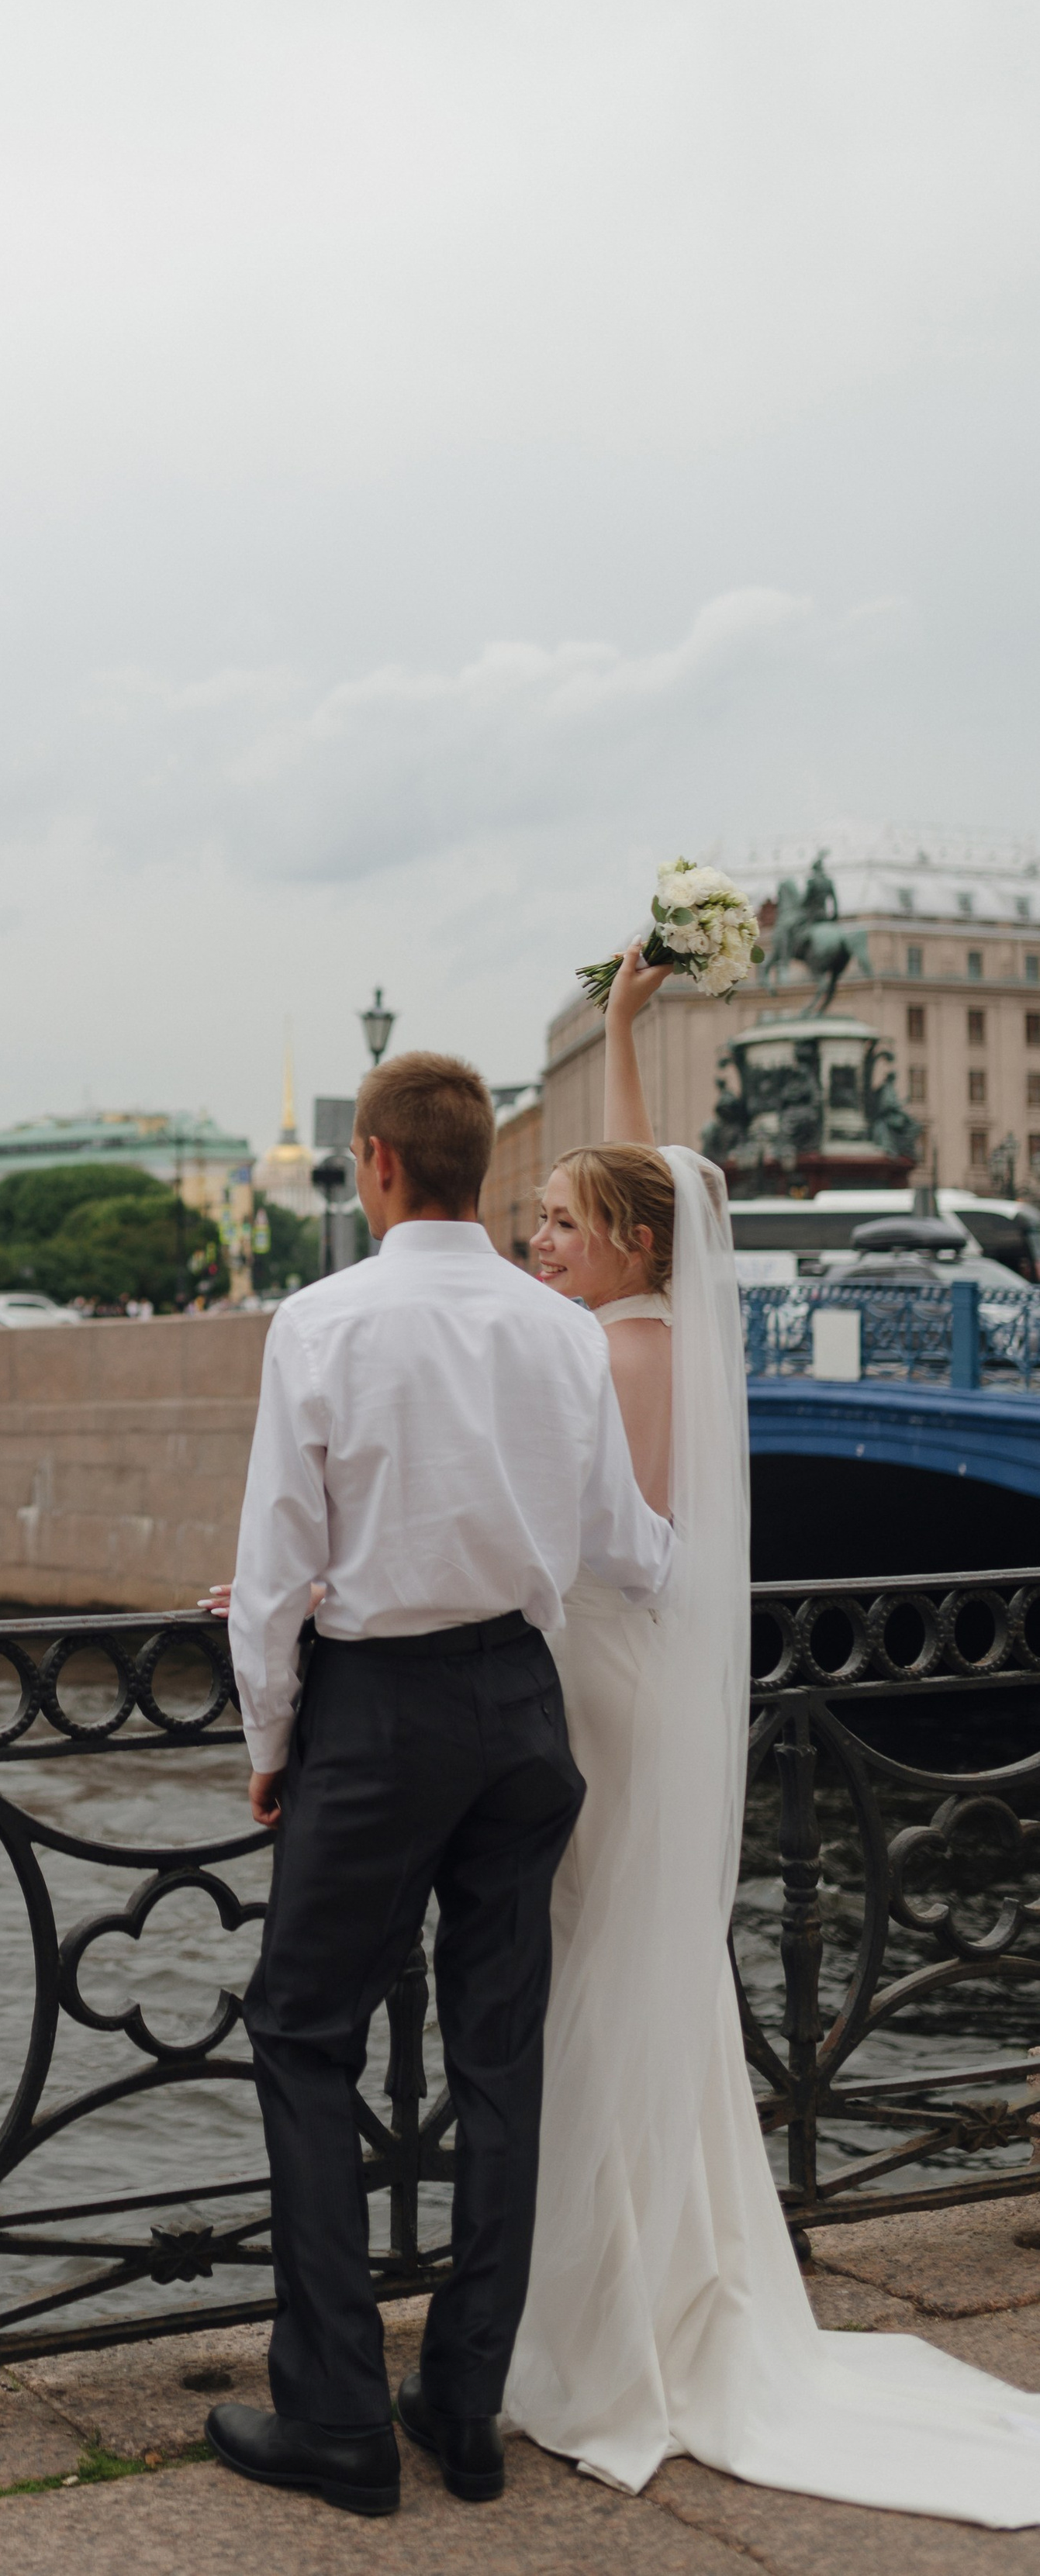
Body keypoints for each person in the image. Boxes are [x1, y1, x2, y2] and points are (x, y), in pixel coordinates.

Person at [509, 944, 1040, 2527]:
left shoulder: (604, 1350)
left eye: (556, 1226)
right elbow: (650, 1178)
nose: (536, 1239)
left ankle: (601, 2326)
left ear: (625, 1247)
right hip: (641, 1674)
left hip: (594, 1671)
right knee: (636, 1972)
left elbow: (577, 1527)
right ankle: (649, 2282)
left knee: (590, 1978)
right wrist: (618, 1030)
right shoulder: (677, 1319)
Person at [207, 1051, 674, 2519]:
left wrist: (270, 1745)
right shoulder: (559, 1330)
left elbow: (278, 1566)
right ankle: (464, 2406)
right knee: (499, 2054)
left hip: (382, 1716)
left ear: (379, 1164)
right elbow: (627, 1546)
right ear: (478, 1172)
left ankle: (339, 2411)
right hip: (524, 1712)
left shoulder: (324, 1320)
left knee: (299, 2032)